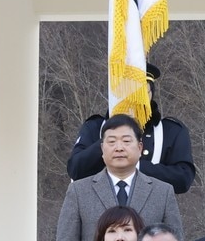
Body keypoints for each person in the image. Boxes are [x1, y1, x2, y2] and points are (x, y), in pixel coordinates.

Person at [53, 113, 184, 241]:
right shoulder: (79, 191)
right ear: (102, 150)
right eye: (111, 142)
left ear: (140, 148)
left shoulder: (163, 191)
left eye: (126, 141)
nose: (119, 147)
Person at [67, 63, 197, 195]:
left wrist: (135, 166)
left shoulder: (171, 130)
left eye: (141, 93)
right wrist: (110, 141)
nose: (134, 100)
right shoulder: (95, 127)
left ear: (151, 94)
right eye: (128, 92)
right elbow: (76, 170)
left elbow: (183, 179)